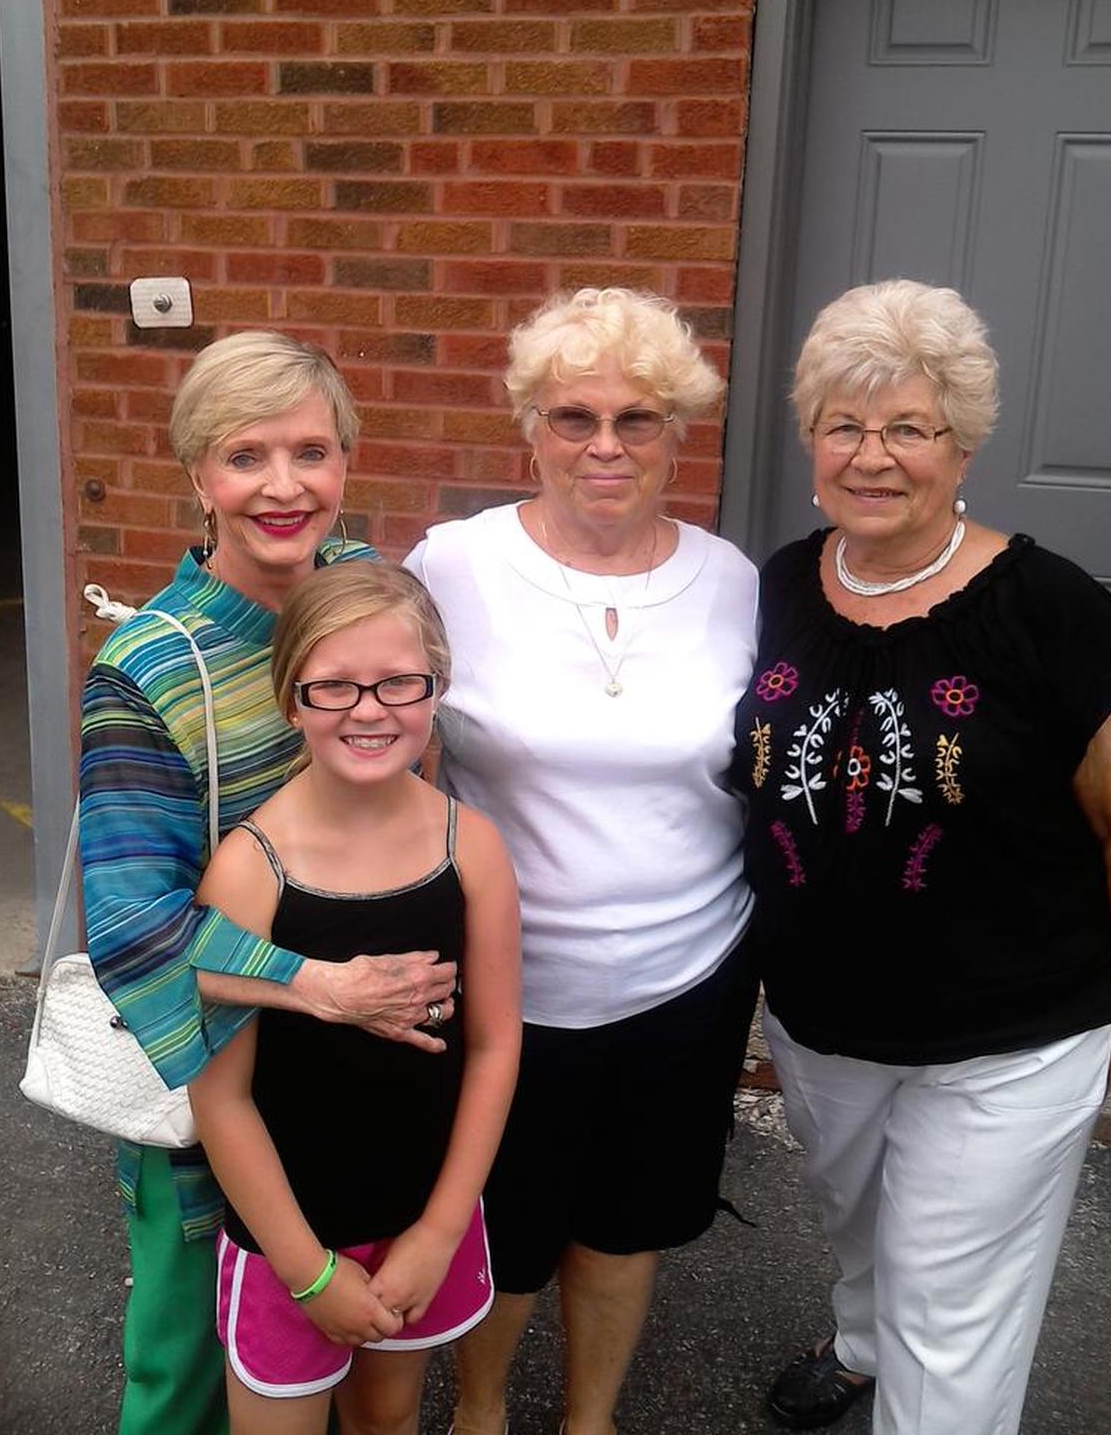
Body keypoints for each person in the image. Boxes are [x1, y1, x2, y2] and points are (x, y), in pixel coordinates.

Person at [731, 279, 1111, 1435]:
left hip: (1009, 1033)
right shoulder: (777, 587)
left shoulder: (1051, 609)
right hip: (818, 1017)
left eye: (908, 427)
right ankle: (858, 1340)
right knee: (860, 1227)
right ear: (811, 438)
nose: (872, 455)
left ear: (962, 446)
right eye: (844, 425)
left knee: (952, 1319)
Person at [81, 332, 457, 1435]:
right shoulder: (149, 669)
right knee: (189, 1371)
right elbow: (139, 933)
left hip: (362, 1083)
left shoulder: (364, 593)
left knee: (341, 1358)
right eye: (247, 455)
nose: (284, 486)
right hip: (220, 1084)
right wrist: (325, 985)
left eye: (312, 450)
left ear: (347, 459)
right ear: (197, 475)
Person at [405, 286, 761, 1435]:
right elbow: (385, 739)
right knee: (503, 1224)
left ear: (678, 431)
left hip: (686, 972)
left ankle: (591, 1418)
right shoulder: (454, 564)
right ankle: (481, 1409)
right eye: (573, 416)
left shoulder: (736, 582)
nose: (604, 445)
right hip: (511, 977)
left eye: (637, 418)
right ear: (529, 425)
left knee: (625, 1222)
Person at [189, 560, 521, 1435]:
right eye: (334, 686)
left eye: (399, 682)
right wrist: (306, 1270)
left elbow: (493, 1045)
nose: (370, 710)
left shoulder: (472, 848)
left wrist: (441, 1231)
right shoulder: (250, 871)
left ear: (437, 687)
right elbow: (219, 1096)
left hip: (420, 1220)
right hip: (287, 1240)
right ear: (291, 696)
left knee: (388, 1418)